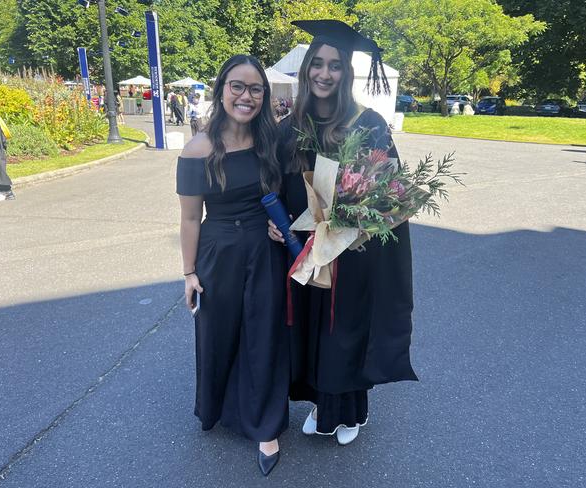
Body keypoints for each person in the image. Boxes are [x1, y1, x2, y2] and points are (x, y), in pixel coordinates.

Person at [270, 20, 417, 446]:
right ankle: (322, 404)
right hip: (305, 248)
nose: (324, 73)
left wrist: (353, 225)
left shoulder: (367, 123)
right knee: (313, 328)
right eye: (317, 64)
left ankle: (351, 411)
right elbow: (274, 183)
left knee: (343, 329)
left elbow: (391, 191)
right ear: (306, 70)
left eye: (334, 65)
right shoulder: (290, 124)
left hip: (354, 251)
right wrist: (276, 221)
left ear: (346, 74)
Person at [176, 54, 288, 476]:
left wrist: (282, 227)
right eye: (237, 86)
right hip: (218, 252)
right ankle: (217, 406)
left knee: (263, 336)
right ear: (222, 89)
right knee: (217, 333)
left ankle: (266, 426)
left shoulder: (270, 140)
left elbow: (282, 192)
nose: (246, 96)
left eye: (256, 89)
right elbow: (190, 218)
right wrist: (189, 273)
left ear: (264, 95)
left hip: (264, 250)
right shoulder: (198, 148)